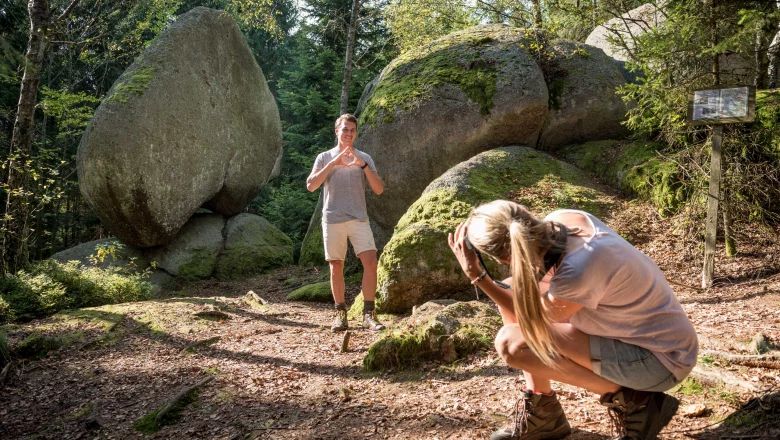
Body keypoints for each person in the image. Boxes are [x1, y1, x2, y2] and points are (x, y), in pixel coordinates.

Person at [447, 200, 698, 440]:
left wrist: (478, 277)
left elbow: (532, 322)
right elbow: (526, 292)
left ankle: (638, 402)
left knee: (512, 345)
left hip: (661, 363)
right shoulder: (563, 220)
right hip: (661, 341)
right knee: (514, 288)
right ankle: (543, 409)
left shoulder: (578, 271)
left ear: (501, 258)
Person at [306, 114, 386, 332]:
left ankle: (369, 315)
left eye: (352, 130)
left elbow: (379, 189)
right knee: (336, 266)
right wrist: (334, 163)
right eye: (345, 130)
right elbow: (311, 186)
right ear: (337, 131)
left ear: (356, 133)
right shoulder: (324, 157)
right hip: (332, 219)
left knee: (370, 263)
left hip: (359, 218)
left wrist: (363, 166)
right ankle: (340, 314)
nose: (348, 133)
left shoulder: (365, 158)